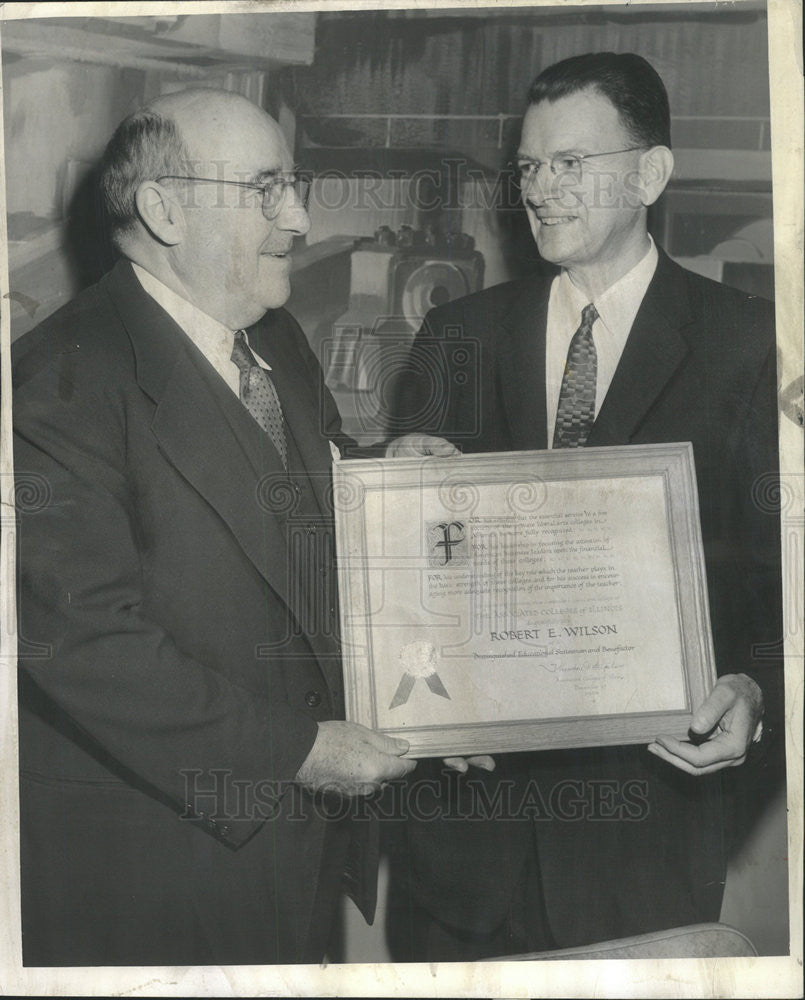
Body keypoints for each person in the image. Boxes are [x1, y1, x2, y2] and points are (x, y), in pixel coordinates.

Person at [387, 52, 783, 959]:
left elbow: (786, 586)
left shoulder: (750, 346)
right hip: (462, 846)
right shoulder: (457, 335)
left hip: (642, 841)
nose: (540, 190)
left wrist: (758, 697)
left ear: (649, 173)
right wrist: (418, 696)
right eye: (528, 167)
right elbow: (406, 574)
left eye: (571, 163)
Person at [12, 88, 416, 967]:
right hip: (152, 869)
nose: (300, 218)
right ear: (164, 208)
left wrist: (390, 475)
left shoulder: (277, 344)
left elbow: (295, 494)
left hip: (293, 853)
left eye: (293, 185)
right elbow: (82, 644)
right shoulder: (56, 383)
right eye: (266, 188)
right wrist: (301, 753)